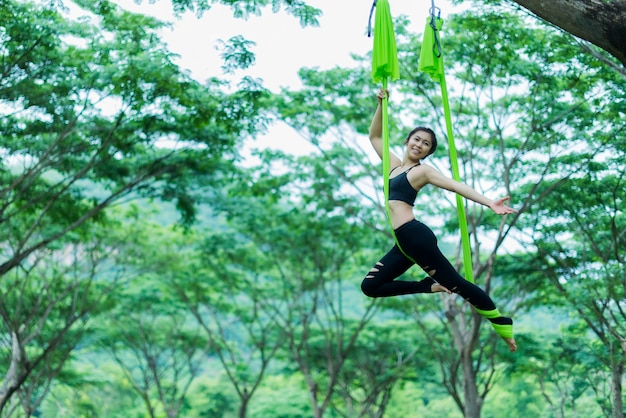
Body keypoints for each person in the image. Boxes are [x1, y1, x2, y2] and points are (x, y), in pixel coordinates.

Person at [361, 89, 517, 352]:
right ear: (407, 140)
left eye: (426, 144)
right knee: (371, 286)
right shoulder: (393, 165)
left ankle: (501, 322)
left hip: (415, 238)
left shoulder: (422, 171)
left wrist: (489, 202)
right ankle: (427, 286)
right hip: (403, 243)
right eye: (417, 139)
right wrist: (380, 105)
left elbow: (455, 186)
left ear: (428, 152)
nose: (419, 145)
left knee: (458, 284)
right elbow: (374, 135)